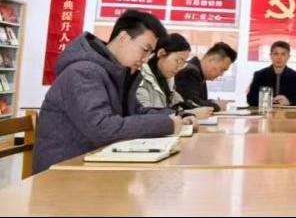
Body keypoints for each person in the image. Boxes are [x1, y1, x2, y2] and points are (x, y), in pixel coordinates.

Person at [34, 10, 186, 173]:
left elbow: (135, 111)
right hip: (62, 173)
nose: (146, 58)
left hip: (92, 166)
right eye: (145, 49)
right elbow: (103, 128)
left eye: (150, 53)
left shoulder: (114, 72)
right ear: (123, 37)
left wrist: (177, 116)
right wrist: (168, 124)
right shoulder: (83, 72)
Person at [137, 33, 213, 119]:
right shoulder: (140, 79)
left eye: (183, 63)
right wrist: (188, 114)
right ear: (161, 53)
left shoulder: (168, 82)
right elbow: (144, 115)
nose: (179, 68)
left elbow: (180, 105)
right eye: (178, 61)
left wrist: (189, 111)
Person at [175, 41, 236, 112]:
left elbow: (200, 101)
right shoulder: (190, 72)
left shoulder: (200, 74)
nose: (221, 74)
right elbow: (193, 104)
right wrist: (216, 106)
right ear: (211, 60)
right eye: (222, 69)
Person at [246, 40, 296, 107]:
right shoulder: (259, 75)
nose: (279, 57)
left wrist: (289, 101)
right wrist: (268, 100)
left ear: (288, 57)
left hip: (287, 113)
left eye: (283, 54)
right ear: (270, 56)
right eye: (276, 54)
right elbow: (250, 99)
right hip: (265, 112)